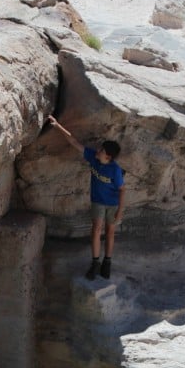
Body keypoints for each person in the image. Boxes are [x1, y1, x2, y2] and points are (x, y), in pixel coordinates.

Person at [48, 115, 125, 280]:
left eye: (102, 150)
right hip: (98, 201)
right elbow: (75, 142)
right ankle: (95, 263)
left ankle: (107, 262)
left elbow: (122, 189)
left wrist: (120, 211)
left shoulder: (115, 170)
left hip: (112, 204)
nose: (98, 150)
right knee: (96, 229)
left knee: (110, 232)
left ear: (108, 157)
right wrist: (58, 126)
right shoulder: (93, 158)